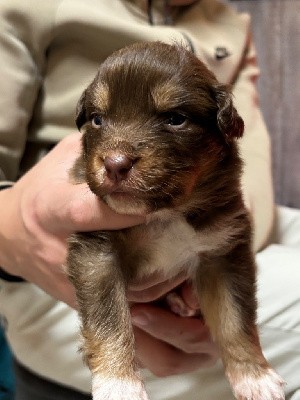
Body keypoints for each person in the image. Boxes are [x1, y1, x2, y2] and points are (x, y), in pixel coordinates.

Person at [0, 0, 299, 399]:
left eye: (173, 118)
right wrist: (15, 223)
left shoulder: (227, 23)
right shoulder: (31, 6)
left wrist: (225, 235)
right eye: (99, 119)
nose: (118, 154)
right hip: (49, 259)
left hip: (216, 212)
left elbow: (246, 146)